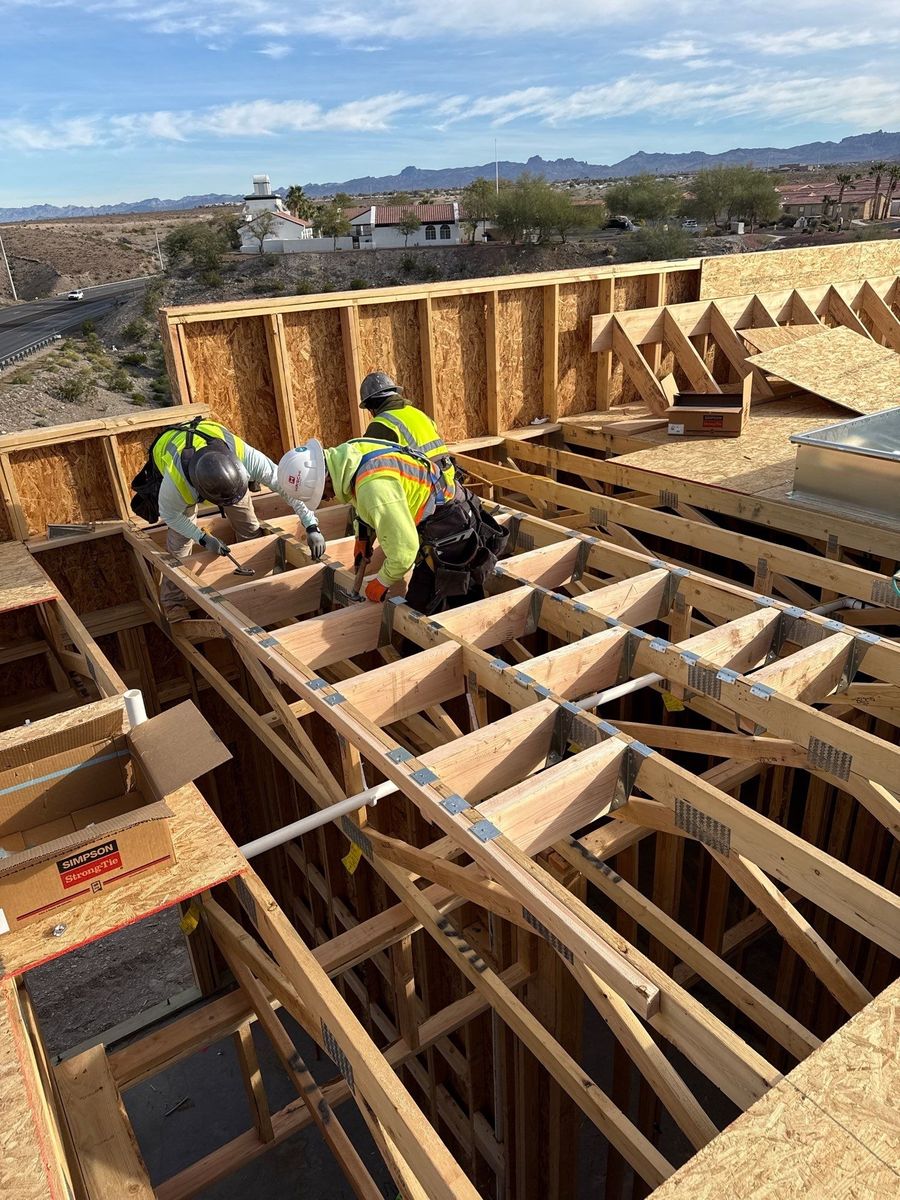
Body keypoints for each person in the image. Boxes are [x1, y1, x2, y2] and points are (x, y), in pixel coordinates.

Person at [277, 436, 507, 615]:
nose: (328, 499)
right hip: (448, 514)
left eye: (323, 494)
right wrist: (363, 535)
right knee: (456, 600)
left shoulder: (374, 489)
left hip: (452, 532)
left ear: (326, 479)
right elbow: (360, 493)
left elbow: (404, 553)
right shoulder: (349, 454)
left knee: (423, 612)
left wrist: (382, 581)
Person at [150, 418, 326, 621]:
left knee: (249, 528)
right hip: (179, 466)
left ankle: (252, 587)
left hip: (225, 472)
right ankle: (173, 603)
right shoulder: (177, 484)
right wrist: (202, 538)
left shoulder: (246, 457)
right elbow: (171, 516)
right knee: (180, 545)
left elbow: (288, 489)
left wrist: (311, 525)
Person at [359, 371, 455, 488]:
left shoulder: (381, 424)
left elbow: (365, 463)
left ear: (371, 406)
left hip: (426, 487)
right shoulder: (418, 413)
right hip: (449, 478)